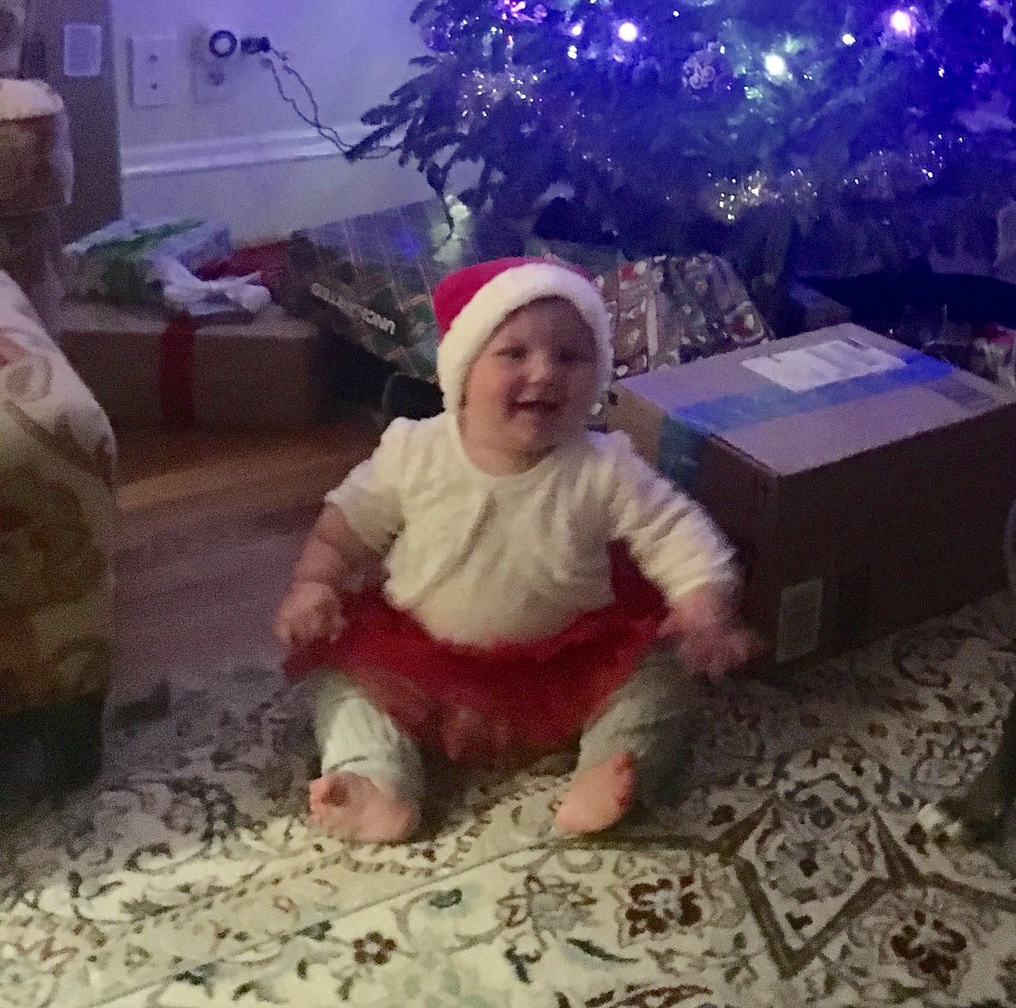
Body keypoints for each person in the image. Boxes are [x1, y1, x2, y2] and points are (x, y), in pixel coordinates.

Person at [274, 256, 758, 843]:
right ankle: (375, 777)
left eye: (570, 357)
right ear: (463, 369)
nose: (545, 372)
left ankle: (614, 763)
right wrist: (314, 584)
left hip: (566, 666)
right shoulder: (413, 451)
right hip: (425, 663)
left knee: (661, 680)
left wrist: (703, 604)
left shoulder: (604, 466)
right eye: (514, 353)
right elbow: (344, 528)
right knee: (342, 680)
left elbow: (674, 530)